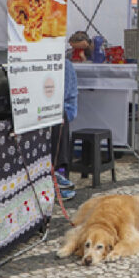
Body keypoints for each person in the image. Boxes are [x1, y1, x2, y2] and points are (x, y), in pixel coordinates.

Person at [51, 59, 78, 201]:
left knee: (57, 116)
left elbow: (64, 97)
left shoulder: (64, 64)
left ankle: (59, 173)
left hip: (64, 109)